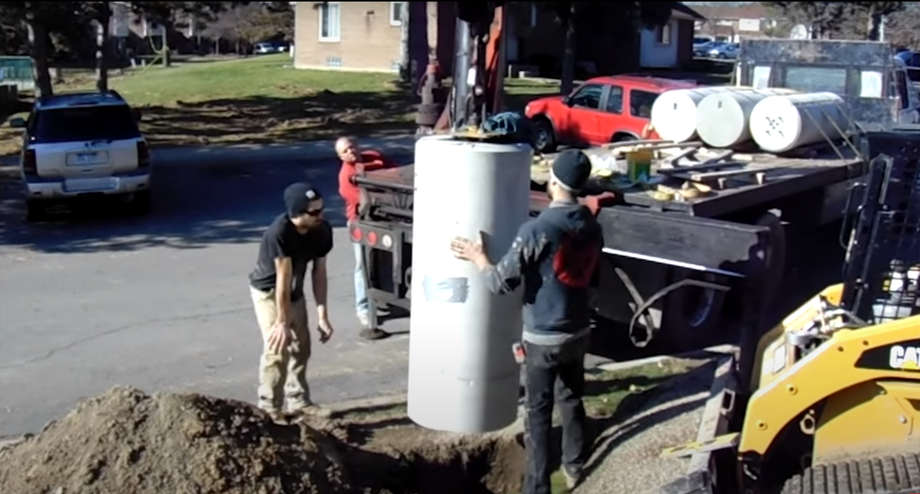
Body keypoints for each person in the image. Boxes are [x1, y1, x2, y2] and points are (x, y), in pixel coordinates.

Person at [450, 150, 603, 494]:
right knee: (572, 397)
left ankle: (537, 487)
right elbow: (593, 281)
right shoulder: (592, 224)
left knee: (537, 412)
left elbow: (499, 282)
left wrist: (478, 257)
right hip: (578, 330)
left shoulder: (539, 229)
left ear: (553, 180)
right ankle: (575, 464)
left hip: (544, 338)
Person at [249, 182, 335, 419]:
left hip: (293, 291)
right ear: (297, 214)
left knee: (302, 347)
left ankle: (298, 402)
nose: (321, 215)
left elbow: (319, 273)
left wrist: (322, 315)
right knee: (278, 349)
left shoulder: (322, 230)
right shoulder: (279, 233)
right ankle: (269, 409)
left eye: (322, 209)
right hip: (269, 292)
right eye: (314, 212)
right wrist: (281, 322)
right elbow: (282, 279)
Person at [336, 136, 393, 341]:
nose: (350, 152)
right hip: (360, 222)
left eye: (351, 147)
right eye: (345, 151)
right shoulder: (346, 176)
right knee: (362, 265)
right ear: (340, 156)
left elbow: (395, 174)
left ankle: (383, 298)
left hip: (385, 218)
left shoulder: (375, 157)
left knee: (385, 260)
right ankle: (363, 307)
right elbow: (362, 200)